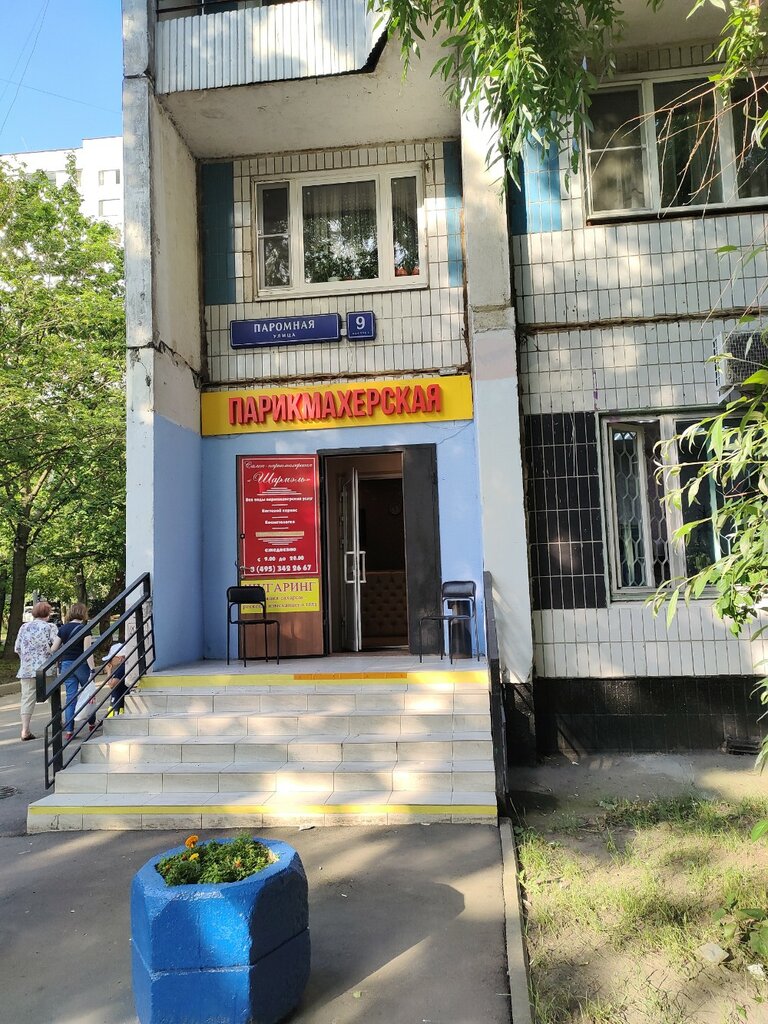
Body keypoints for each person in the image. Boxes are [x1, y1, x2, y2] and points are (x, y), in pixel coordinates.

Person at [52, 604, 96, 741]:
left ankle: (69, 730)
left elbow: (53, 649)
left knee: (70, 698)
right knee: (89, 694)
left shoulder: (63, 629)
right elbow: (87, 652)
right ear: (83, 613)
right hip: (81, 665)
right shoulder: (85, 629)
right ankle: (92, 723)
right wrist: (92, 669)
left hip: (66, 665)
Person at [14, 602, 57, 741]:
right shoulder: (50, 627)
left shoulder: (24, 627)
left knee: (27, 698)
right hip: (46, 667)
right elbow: (56, 645)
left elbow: (17, 648)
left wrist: (26, 660)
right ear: (48, 613)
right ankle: (58, 723)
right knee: (53, 696)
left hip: (26, 669)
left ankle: (25, 730)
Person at [103, 642, 127, 715]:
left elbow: (112, 685)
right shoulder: (124, 667)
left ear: (119, 658)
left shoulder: (121, 669)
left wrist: (109, 671)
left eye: (111, 659)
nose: (109, 662)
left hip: (118, 704)